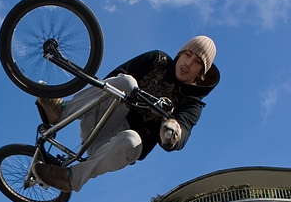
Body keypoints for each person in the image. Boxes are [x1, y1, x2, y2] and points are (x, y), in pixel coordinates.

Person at [34, 36, 219, 193]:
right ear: (180, 54)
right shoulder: (157, 60)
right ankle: (63, 111)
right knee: (128, 82)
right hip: (101, 117)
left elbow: (183, 131)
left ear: (201, 73)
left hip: (111, 146)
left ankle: (71, 178)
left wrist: (172, 133)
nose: (188, 63)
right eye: (187, 55)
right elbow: (113, 78)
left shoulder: (192, 103)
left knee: (132, 140)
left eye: (196, 62)